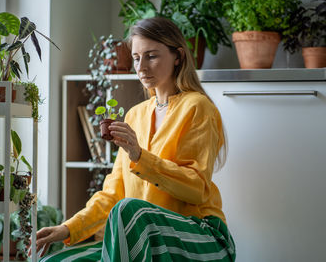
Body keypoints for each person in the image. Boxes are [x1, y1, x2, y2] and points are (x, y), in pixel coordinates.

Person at [33, 17, 236, 261]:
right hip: (142, 237)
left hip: (202, 236)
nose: (141, 67)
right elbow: (113, 193)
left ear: (178, 57)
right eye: (137, 58)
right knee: (54, 260)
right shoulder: (135, 115)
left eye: (151, 56)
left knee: (129, 210)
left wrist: (140, 157)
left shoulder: (197, 107)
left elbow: (197, 189)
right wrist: (68, 228)